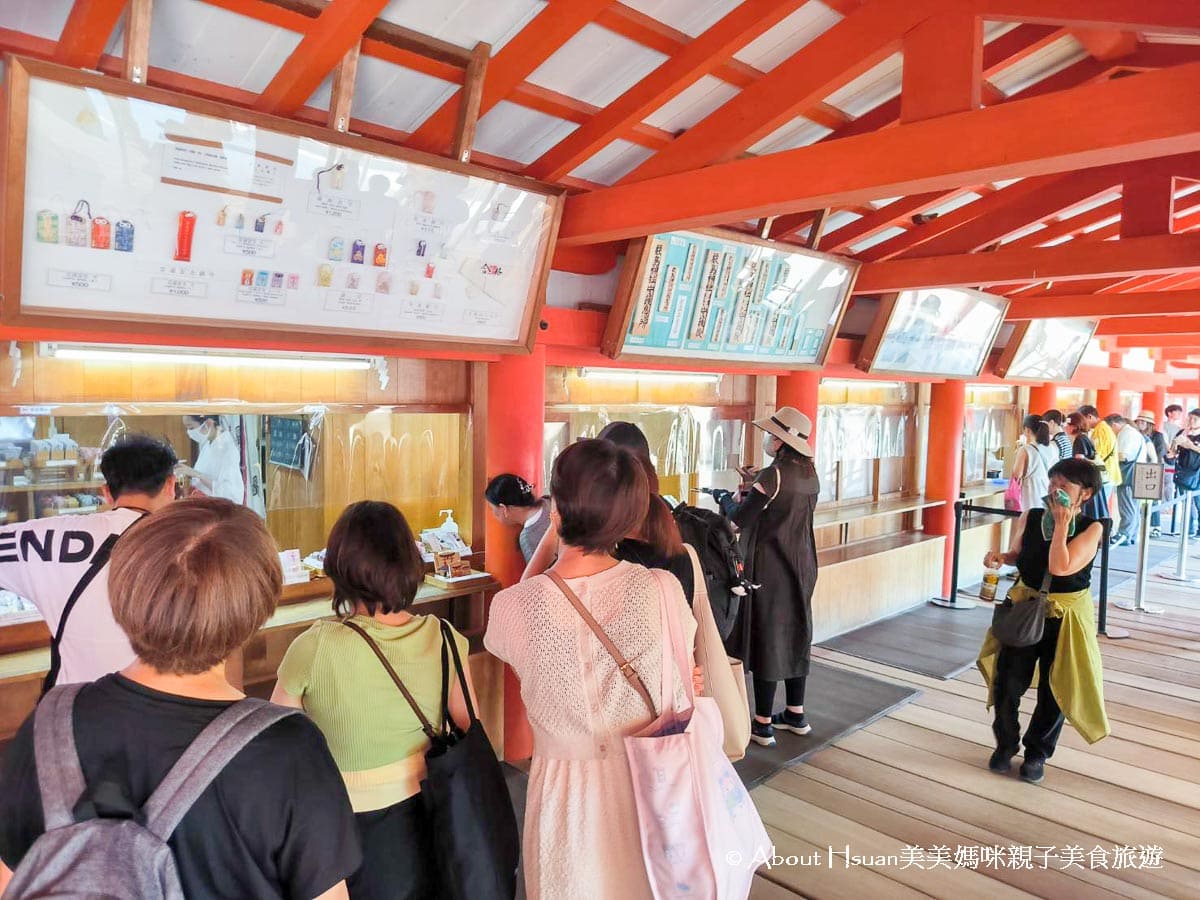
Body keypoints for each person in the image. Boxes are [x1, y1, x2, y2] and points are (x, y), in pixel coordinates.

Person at [0, 499, 361, 898]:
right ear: (257, 609)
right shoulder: (289, 751)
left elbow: (11, 882)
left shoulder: (48, 724)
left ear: (123, 591)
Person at [485, 439, 698, 900]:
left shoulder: (514, 606)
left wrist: (550, 538)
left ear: (556, 508)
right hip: (657, 786)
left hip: (567, 796)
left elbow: (514, 624)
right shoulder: (661, 588)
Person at [273, 501, 478, 899]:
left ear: (339, 568)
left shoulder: (314, 646)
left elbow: (279, 737)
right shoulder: (444, 637)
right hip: (430, 813)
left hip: (345, 825)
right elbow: (470, 725)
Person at [0, 434, 177, 686]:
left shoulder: (50, 536)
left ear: (105, 492)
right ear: (170, 485)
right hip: (161, 706)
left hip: (72, 710)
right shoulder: (188, 543)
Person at [978, 459, 1110, 785]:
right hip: (1026, 609)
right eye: (1052, 485)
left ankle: (1036, 753)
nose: (1054, 493)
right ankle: (1006, 743)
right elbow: (1017, 554)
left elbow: (1061, 566)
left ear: (1086, 493)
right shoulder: (1032, 516)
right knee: (1007, 683)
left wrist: (1063, 525)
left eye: (1064, 487)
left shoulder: (1094, 527)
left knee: (1055, 691)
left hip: (1066, 620)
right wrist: (1002, 558)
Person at [713, 406, 819, 748]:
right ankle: (795, 713)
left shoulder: (772, 476)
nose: (767, 440)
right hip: (803, 562)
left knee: (768, 636)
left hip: (770, 565)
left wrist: (724, 499)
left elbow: (739, 519)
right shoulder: (809, 473)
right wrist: (753, 484)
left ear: (781, 439)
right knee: (797, 631)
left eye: (771, 435)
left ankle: (762, 724)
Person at [177, 413, 245, 503]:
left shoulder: (227, 449)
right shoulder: (208, 445)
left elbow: (230, 494)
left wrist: (197, 474)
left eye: (191, 428)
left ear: (208, 423)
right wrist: (188, 473)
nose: (189, 433)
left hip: (218, 509)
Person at [485, 473, 551, 563]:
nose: (493, 514)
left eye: (492, 509)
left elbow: (538, 575)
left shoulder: (528, 538)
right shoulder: (550, 501)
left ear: (503, 509)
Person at [1108, 414, 1146, 546]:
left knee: (1127, 506)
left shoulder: (1126, 434)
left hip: (1129, 476)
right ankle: (1131, 535)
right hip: (1138, 474)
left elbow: (1123, 456)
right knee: (1134, 506)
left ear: (1114, 425)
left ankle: (1124, 534)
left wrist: (1107, 457)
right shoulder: (1133, 433)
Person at [1010, 416, 1057, 514]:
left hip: (1031, 491)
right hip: (1046, 489)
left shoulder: (1025, 449)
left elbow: (1016, 474)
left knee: (1028, 520)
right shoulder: (1052, 448)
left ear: (1027, 430)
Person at [1080, 405, 1119, 516]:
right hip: (1108, 473)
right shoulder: (1104, 428)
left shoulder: (1100, 430)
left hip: (1104, 474)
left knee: (1099, 510)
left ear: (1090, 417)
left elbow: (1097, 455)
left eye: (1083, 420)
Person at [1134, 412, 1168, 538]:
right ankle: (1140, 525)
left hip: (1152, 470)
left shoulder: (1157, 436)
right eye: (1138, 421)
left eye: (1143, 422)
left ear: (1149, 424)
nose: (1140, 424)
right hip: (1138, 470)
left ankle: (1155, 526)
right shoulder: (1136, 434)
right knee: (1138, 500)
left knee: (1152, 500)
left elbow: (1159, 454)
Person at [1169, 409, 1200, 537]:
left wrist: (1190, 445)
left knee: (1198, 500)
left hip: (1197, 470)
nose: (1191, 421)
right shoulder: (1182, 432)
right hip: (1183, 469)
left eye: (1195, 419)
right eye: (1190, 418)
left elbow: (1193, 448)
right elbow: (1173, 452)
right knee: (1185, 500)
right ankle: (1188, 527)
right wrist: (1175, 443)